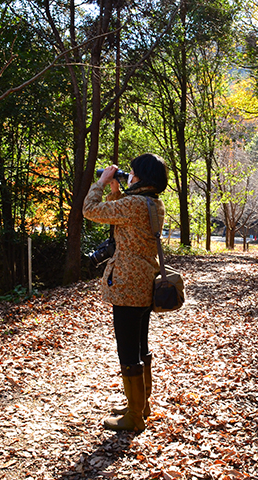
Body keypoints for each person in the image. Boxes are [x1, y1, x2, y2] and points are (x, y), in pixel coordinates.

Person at [83, 153, 168, 432]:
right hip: (145, 282)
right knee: (141, 345)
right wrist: (116, 190)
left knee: (127, 349)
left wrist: (101, 182)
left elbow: (90, 210)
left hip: (127, 286)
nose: (128, 175)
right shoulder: (153, 203)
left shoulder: (133, 204)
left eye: (132, 173)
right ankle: (141, 404)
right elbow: (123, 218)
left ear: (141, 177)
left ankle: (134, 417)